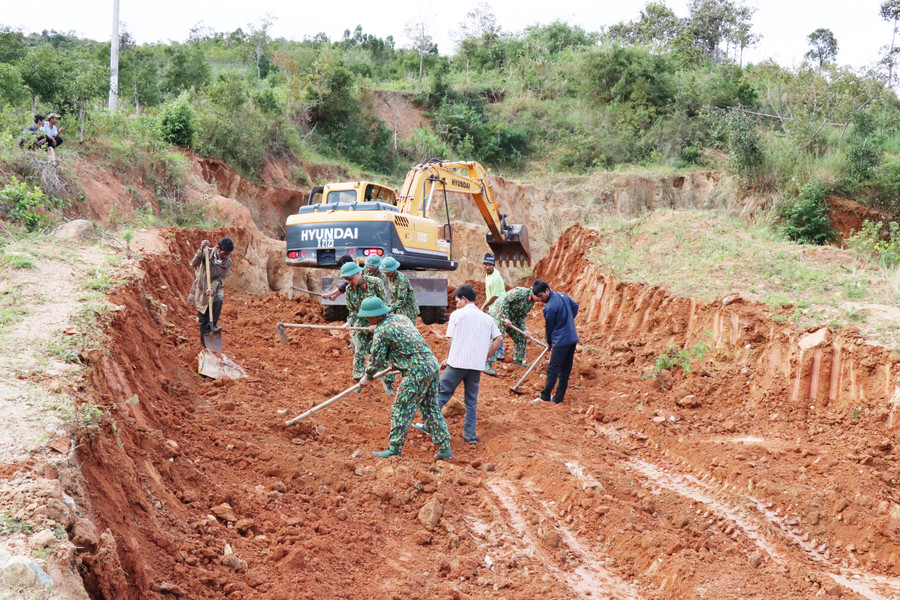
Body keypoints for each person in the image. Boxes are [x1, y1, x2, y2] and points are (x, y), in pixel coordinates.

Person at [356, 297, 453, 460]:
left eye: (367, 316)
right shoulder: (401, 317)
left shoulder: (382, 330)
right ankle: (444, 448)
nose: (366, 319)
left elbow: (376, 359)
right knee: (431, 408)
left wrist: (367, 376)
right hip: (431, 364)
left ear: (375, 315)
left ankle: (394, 448)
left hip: (417, 371)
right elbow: (406, 341)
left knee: (401, 408)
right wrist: (397, 360)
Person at [414, 285, 500, 445]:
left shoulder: (457, 315)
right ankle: (470, 436)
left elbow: (450, 340)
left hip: (458, 362)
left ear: (464, 299)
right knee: (471, 401)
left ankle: (429, 426)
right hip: (476, 365)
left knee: (439, 393)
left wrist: (448, 358)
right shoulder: (487, 318)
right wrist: (485, 357)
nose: (456, 304)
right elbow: (498, 339)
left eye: (457, 301)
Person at [340, 261, 395, 394]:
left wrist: (376, 324)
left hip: (379, 321)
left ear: (358, 273)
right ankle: (359, 381)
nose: (350, 282)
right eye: (347, 280)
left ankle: (389, 383)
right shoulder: (349, 290)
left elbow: (384, 305)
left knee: (380, 352)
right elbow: (353, 312)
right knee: (359, 351)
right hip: (362, 323)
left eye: (351, 279)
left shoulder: (375, 283)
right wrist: (349, 323)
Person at [531, 280, 579, 404]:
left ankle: (545, 396)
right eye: (538, 297)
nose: (541, 299)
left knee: (553, 369)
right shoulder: (563, 295)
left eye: (541, 296)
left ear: (548, 290)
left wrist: (549, 342)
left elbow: (549, 328)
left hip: (561, 341)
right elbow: (575, 307)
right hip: (572, 338)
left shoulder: (549, 308)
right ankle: (558, 398)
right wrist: (567, 320)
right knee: (565, 370)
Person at [188, 237, 234, 348]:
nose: (225, 256)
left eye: (228, 254)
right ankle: (206, 346)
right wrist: (200, 249)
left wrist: (213, 288)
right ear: (218, 248)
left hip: (216, 286)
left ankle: (212, 326)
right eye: (224, 253)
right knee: (203, 318)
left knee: (218, 300)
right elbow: (193, 263)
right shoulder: (207, 252)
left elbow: (220, 278)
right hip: (202, 286)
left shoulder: (228, 262)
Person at [486, 286, 536, 375]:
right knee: (498, 335)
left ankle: (518, 363)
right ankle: (486, 362)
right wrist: (505, 317)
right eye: (539, 297)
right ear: (534, 292)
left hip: (511, 316)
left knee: (521, 336)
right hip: (499, 313)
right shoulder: (520, 292)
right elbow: (504, 300)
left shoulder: (531, 302)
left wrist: (524, 329)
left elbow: (520, 316)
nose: (540, 299)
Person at [480, 252, 506, 361]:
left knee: (496, 330)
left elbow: (495, 296)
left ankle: (499, 353)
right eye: (485, 264)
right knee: (494, 329)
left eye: (489, 265)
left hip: (498, 306)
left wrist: (484, 305)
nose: (487, 267)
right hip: (493, 307)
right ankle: (495, 351)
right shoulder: (488, 274)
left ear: (493, 265)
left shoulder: (495, 278)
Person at [380, 257, 419, 324]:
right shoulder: (390, 277)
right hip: (399, 311)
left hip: (408, 312)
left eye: (388, 272)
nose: (386, 274)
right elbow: (393, 296)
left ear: (393, 270)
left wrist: (389, 309)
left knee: (408, 332)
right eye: (385, 272)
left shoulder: (401, 279)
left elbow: (401, 300)